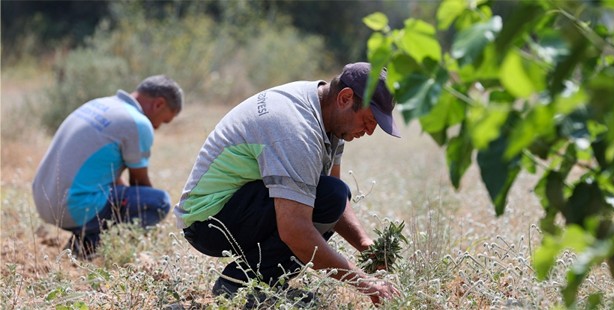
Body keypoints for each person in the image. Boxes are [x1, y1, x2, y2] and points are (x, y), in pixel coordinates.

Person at [174, 62, 401, 306]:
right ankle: (239, 284)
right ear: (345, 98)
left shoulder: (329, 115)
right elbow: (295, 229)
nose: (369, 132)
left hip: (236, 207)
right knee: (325, 201)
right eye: (368, 121)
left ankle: (259, 282)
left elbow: (332, 196)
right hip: (209, 222)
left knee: (334, 194)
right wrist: (365, 282)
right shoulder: (296, 131)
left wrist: (365, 244)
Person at [32, 75, 184, 259]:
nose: (158, 127)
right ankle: (89, 249)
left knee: (123, 198)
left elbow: (108, 174)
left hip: (43, 200)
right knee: (158, 203)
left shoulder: (100, 104)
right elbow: (139, 183)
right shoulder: (137, 122)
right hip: (73, 207)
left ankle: (80, 246)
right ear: (159, 104)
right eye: (163, 121)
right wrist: (152, 230)